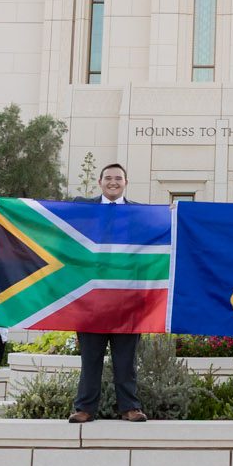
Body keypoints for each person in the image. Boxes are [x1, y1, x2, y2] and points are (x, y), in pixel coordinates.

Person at [69, 162, 146, 424]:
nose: (113, 182)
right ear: (100, 182)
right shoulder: (84, 209)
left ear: (126, 183)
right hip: (92, 298)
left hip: (127, 299)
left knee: (126, 360)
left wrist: (172, 213)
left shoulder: (140, 213)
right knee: (90, 359)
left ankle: (130, 408)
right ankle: (84, 409)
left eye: (119, 178)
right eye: (109, 178)